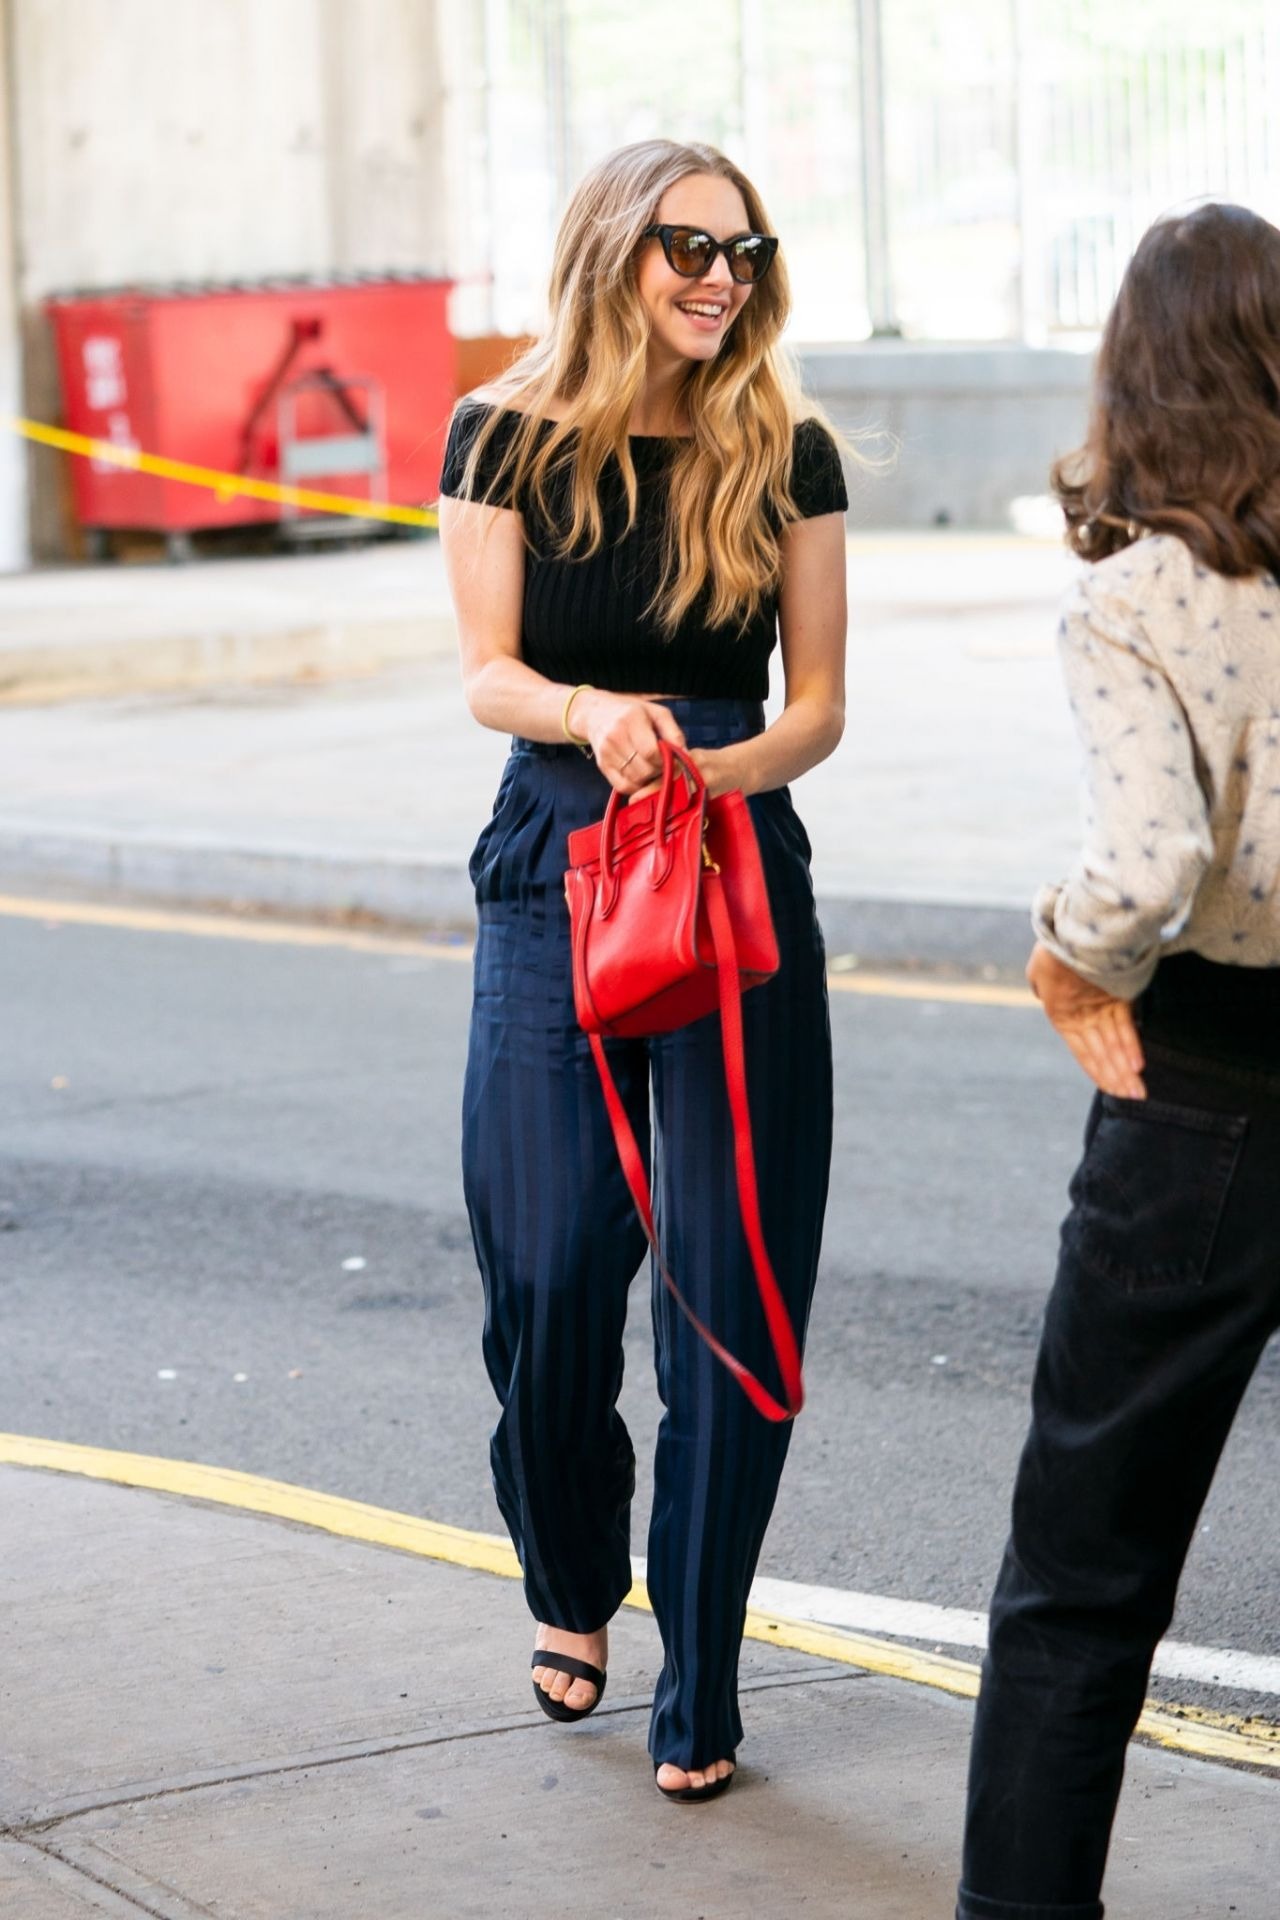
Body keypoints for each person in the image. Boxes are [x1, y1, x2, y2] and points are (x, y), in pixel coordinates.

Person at [437, 139, 849, 1801]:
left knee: (732, 1296)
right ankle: (567, 1575)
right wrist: (591, 714)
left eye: (742, 252)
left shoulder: (789, 452)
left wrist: (720, 767)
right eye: (687, 248)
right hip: (558, 861)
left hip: (734, 872)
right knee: (544, 1276)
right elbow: (486, 673)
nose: (717, 278)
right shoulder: (506, 435)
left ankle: (705, 1674)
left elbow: (815, 703)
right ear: (612, 252)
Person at [957, 201, 1280, 1919]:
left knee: (1083, 1579)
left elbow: (1150, 865)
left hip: (1209, 1096)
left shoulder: (1139, 600)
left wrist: (1066, 958)